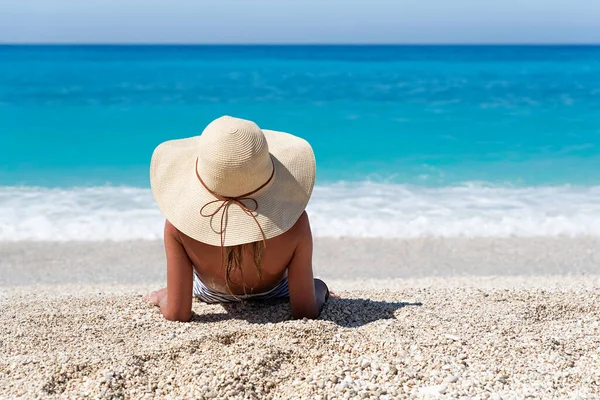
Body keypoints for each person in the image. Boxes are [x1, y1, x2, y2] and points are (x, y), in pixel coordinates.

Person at [145, 116, 330, 322]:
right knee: (317, 283)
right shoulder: (295, 221)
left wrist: (165, 297)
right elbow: (305, 311)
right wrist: (320, 289)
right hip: (276, 292)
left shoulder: (177, 225)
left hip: (210, 293)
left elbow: (177, 314)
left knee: (176, 290)